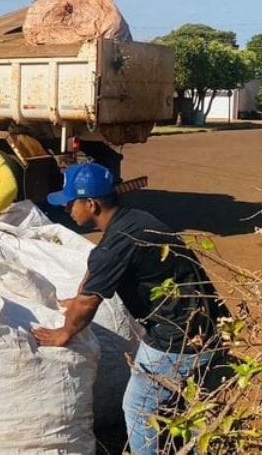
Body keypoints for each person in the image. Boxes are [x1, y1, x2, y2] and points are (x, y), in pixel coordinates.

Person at [32, 162, 228, 455]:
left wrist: (65, 332)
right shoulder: (132, 221)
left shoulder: (117, 244)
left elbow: (89, 301)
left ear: (92, 204)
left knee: (138, 405)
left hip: (176, 335)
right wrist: (80, 295)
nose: (67, 209)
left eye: (71, 203)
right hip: (212, 324)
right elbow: (96, 268)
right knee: (197, 403)